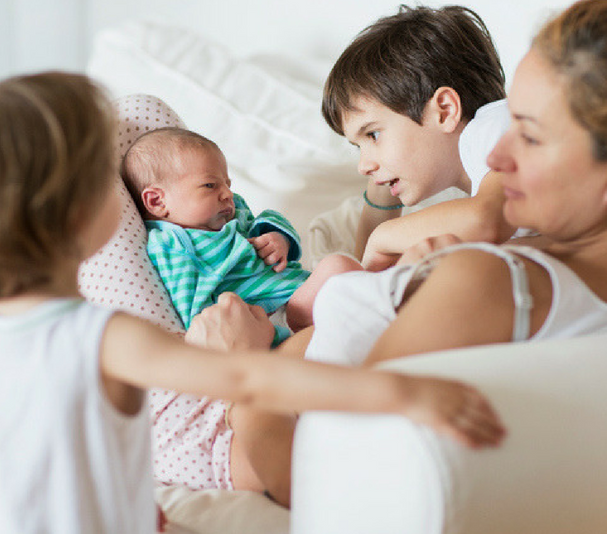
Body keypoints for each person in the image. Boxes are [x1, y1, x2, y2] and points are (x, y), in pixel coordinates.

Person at [0, 71, 505, 532]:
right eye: (102, 180)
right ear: (78, 215)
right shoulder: (103, 335)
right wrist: (404, 395)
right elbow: (247, 377)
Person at [194, 0, 607, 499]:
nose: (492, 155)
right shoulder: (549, 269)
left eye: (528, 135)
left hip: (253, 394)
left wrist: (240, 378)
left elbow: (318, 483)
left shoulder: (484, 280)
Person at [322, 5, 515, 271]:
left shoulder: (498, 126)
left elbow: (487, 218)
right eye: (358, 147)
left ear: (445, 111)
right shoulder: (478, 168)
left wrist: (385, 236)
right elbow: (366, 271)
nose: (362, 166)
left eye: (373, 134)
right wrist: (383, 173)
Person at [120, 127, 361, 341]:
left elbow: (266, 220)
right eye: (210, 185)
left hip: (295, 298)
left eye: (228, 184)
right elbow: (193, 311)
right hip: (260, 325)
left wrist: (278, 239)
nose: (227, 194)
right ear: (156, 201)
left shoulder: (233, 211)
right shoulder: (171, 244)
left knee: (338, 265)